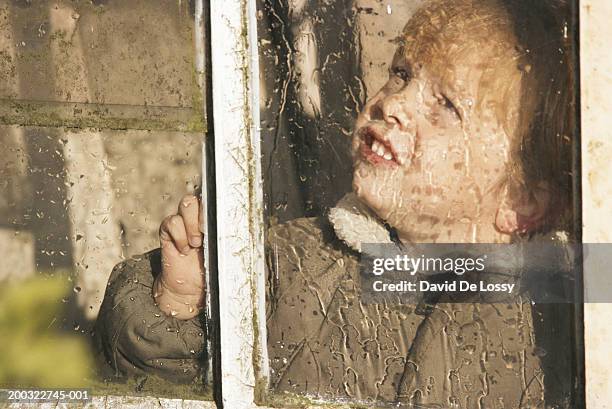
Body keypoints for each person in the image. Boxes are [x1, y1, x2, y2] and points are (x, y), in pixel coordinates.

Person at [94, 0, 575, 406]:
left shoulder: (567, 318)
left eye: (445, 104)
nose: (394, 103)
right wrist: (180, 302)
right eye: (401, 74)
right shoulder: (290, 261)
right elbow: (160, 384)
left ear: (522, 201)